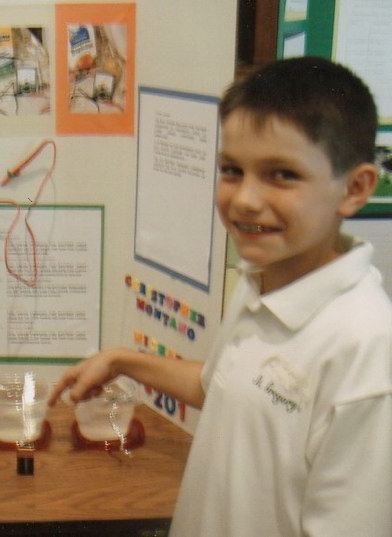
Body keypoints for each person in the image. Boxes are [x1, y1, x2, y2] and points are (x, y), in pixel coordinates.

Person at [50, 56, 392, 537]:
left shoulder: (367, 352)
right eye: (232, 170)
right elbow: (223, 388)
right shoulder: (261, 281)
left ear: (355, 189)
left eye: (282, 174)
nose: (245, 199)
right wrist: (123, 361)